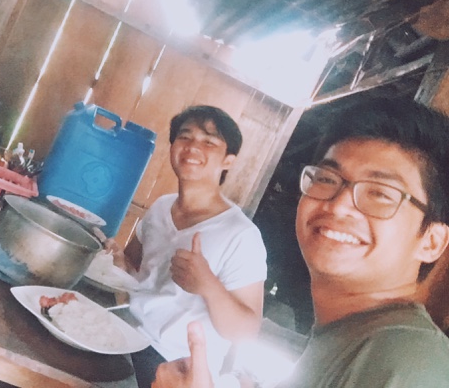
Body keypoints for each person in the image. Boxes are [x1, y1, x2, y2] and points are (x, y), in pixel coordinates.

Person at [153, 97, 449, 387]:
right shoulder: (347, 337)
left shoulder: (410, 363)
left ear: (432, 242)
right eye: (328, 179)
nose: (339, 206)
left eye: (380, 194)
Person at [108, 105, 267, 387]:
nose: (193, 147)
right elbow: (135, 269)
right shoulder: (161, 207)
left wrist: (208, 285)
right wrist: (119, 262)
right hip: (125, 334)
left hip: (173, 366)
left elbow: (245, 332)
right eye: (185, 137)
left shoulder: (242, 236)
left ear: (228, 160)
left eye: (209, 142)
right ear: (173, 147)